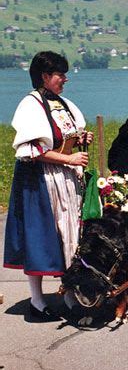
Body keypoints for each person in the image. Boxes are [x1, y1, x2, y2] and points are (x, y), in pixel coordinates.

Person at [3, 51, 93, 321]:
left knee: (69, 234)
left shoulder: (62, 104)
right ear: (44, 76)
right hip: (39, 180)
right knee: (41, 236)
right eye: (60, 74)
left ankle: (67, 293)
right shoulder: (31, 106)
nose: (65, 79)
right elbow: (33, 149)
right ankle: (37, 301)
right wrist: (69, 157)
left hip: (64, 176)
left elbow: (60, 139)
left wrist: (78, 140)